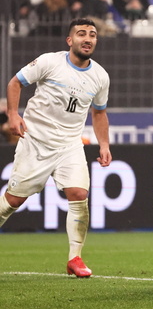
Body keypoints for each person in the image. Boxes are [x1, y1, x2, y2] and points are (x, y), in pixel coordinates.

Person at [1, 18, 111, 277]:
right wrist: (13, 115)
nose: (88, 38)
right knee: (13, 200)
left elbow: (99, 113)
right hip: (36, 140)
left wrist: (104, 144)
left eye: (92, 35)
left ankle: (75, 258)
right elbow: (15, 83)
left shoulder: (100, 76)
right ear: (70, 40)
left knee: (79, 193)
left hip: (69, 145)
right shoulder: (50, 61)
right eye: (81, 34)